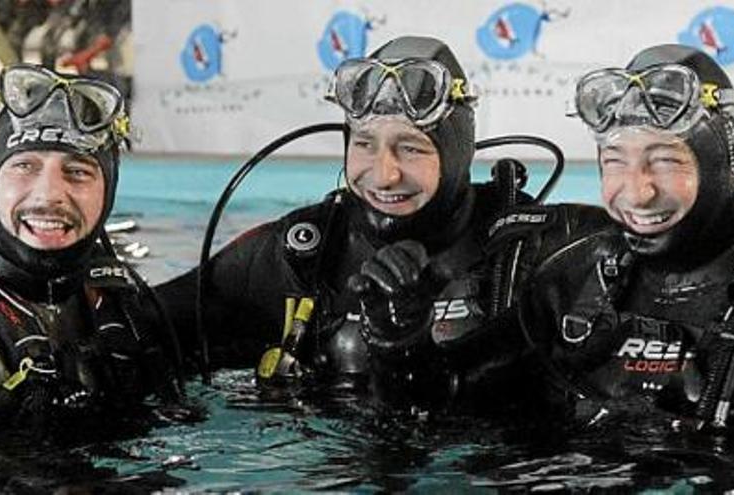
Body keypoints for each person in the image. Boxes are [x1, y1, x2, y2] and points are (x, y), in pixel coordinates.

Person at [159, 35, 579, 414]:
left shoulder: (526, 251)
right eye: (364, 144)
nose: (384, 175)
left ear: (456, 155)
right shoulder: (308, 253)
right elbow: (153, 324)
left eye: (410, 149)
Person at [518, 44, 734, 428]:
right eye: (615, 161)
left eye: (664, 160)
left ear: (726, 160)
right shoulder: (565, 284)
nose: (636, 192)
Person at [0, 64, 181, 433]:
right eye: (24, 166)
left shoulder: (118, 304)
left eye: (78, 172)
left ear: (108, 191)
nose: (49, 194)